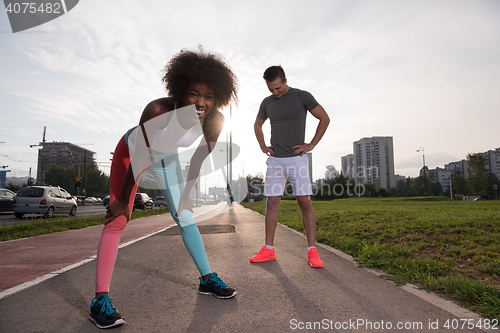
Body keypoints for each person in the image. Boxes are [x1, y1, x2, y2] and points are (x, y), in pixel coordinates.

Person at [89, 48, 238, 329]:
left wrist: (186, 193)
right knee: (118, 219)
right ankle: (99, 300)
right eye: (195, 94)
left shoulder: (214, 120)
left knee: (185, 215)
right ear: (181, 91)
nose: (201, 102)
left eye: (208, 96)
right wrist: (122, 199)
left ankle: (207, 279)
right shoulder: (157, 110)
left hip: (166, 158)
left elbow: (198, 158)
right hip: (131, 154)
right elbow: (141, 155)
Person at [250, 65, 330, 268]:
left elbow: (324, 118)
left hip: (297, 158)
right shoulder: (267, 103)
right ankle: (268, 250)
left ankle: (312, 251)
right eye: (271, 89)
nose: (275, 92)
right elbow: (257, 125)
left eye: (277, 88)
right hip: (276, 160)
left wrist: (311, 144)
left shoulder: (302, 96)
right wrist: (262, 146)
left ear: (285, 80)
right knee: (271, 203)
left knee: (304, 202)